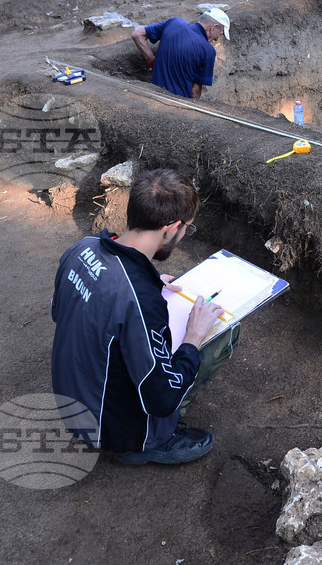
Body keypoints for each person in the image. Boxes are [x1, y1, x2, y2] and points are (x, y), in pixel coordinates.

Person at [51, 169, 228, 465]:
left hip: (72, 406)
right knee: (221, 335)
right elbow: (161, 397)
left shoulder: (83, 248)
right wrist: (194, 337)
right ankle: (148, 442)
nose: (183, 235)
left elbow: (62, 311)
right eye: (187, 229)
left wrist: (149, 281)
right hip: (110, 428)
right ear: (171, 228)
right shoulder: (141, 300)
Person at [131, 9, 230, 99]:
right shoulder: (208, 51)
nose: (217, 39)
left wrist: (152, 61)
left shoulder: (173, 22)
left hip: (154, 98)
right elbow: (195, 92)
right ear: (214, 27)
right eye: (220, 34)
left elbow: (137, 35)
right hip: (178, 107)